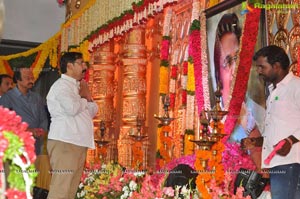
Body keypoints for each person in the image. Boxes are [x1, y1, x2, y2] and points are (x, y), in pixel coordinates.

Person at [242, 45, 300, 199]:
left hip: (291, 161)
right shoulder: (273, 91)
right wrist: (256, 141)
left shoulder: (296, 86)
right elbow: (275, 130)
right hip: (277, 163)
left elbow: (287, 135)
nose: (259, 71)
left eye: (262, 67)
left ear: (276, 66)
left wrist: (289, 140)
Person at [46, 52, 98, 199]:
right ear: (69, 66)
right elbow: (71, 108)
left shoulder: (77, 87)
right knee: (60, 190)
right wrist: (83, 98)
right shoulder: (61, 86)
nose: (84, 67)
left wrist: (86, 96)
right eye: (81, 63)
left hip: (77, 143)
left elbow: (94, 110)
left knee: (70, 192)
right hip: (65, 142)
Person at [0, 67, 48, 155]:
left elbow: (43, 118)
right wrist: (29, 130)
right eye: (27, 78)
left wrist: (41, 130)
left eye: (32, 77)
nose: (31, 80)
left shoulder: (37, 97)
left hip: (36, 145)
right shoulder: (7, 98)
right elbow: (5, 124)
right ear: (18, 80)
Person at [213, 13, 241, 107]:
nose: (235, 70)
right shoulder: (212, 118)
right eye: (228, 62)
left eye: (236, 59)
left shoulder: (256, 115)